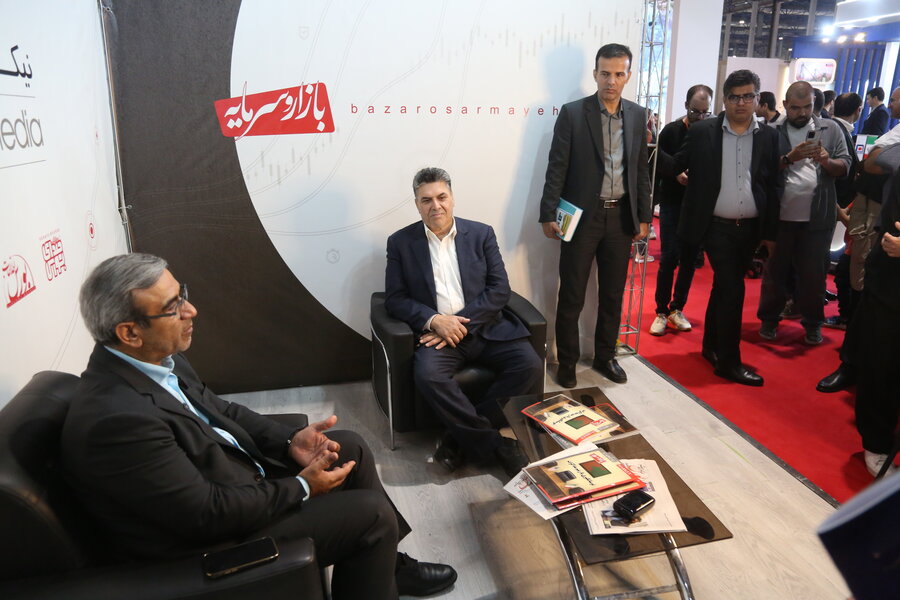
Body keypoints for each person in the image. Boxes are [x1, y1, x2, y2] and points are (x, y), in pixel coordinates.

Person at [62, 254, 457, 600]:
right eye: (172, 307)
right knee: (370, 515)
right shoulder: (118, 420)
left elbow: (223, 412)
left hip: (231, 485)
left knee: (349, 447)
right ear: (130, 333)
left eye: (182, 295)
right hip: (209, 546)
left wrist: (289, 441)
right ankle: (378, 556)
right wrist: (302, 486)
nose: (191, 310)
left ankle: (388, 569)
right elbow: (205, 514)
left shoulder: (158, 360)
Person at [385, 167, 540, 475]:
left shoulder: (481, 234)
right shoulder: (400, 242)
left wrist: (459, 324)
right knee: (428, 375)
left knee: (530, 366)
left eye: (441, 197)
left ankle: (457, 438)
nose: (436, 205)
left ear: (452, 198)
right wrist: (434, 320)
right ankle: (495, 445)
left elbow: (499, 289)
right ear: (417, 204)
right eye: (426, 200)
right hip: (439, 337)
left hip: (487, 328)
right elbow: (395, 298)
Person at [539, 43, 652, 388]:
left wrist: (643, 216)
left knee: (613, 294)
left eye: (618, 74)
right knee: (572, 293)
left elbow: (640, 171)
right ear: (595, 74)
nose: (611, 81)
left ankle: (605, 357)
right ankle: (567, 362)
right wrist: (548, 212)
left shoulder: (637, 115)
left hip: (621, 219)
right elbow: (557, 166)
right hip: (582, 219)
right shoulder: (574, 113)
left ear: (628, 76)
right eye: (605, 73)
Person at [659, 69, 781, 386]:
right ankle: (729, 361)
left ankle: (710, 346)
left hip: (750, 227)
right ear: (724, 100)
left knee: (724, 287)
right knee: (733, 289)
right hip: (714, 226)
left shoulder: (769, 136)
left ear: (757, 98)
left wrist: (770, 233)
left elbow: (773, 185)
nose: (741, 102)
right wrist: (651, 151)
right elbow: (674, 162)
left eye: (748, 96)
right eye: (734, 97)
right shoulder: (704, 132)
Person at [757, 81, 851, 345]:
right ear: (785, 105)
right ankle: (769, 320)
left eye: (807, 106)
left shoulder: (831, 128)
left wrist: (826, 161)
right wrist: (790, 158)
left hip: (817, 218)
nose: (802, 113)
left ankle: (813, 324)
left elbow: (846, 165)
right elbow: (761, 170)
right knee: (775, 274)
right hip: (779, 218)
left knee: (814, 277)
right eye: (796, 108)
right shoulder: (771, 132)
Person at [648, 84, 712, 336]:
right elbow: (657, 162)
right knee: (668, 258)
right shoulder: (672, 131)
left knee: (689, 259)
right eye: (696, 111)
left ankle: (677, 309)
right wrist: (676, 174)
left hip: (698, 203)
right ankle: (661, 311)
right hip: (672, 201)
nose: (700, 117)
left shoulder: (711, 132)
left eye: (705, 112)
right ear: (686, 106)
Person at [825, 92, 864, 330]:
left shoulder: (840, 130)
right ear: (858, 110)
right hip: (833, 206)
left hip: (841, 208)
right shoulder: (835, 130)